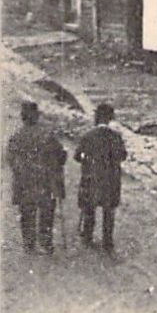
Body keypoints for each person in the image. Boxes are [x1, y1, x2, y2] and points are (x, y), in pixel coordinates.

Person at [7, 102, 66, 254]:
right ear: (37, 116)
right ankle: (46, 243)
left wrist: (22, 172)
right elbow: (61, 155)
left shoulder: (16, 137)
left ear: (22, 118)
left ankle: (29, 244)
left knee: (27, 212)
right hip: (45, 181)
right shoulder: (48, 135)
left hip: (25, 182)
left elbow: (11, 159)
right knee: (47, 212)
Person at [75, 104, 127, 251]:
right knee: (109, 210)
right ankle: (107, 241)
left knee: (90, 206)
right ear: (110, 118)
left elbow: (77, 156)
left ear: (97, 117)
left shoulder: (88, 135)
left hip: (92, 177)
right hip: (111, 179)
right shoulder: (116, 136)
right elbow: (123, 155)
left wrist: (87, 159)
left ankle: (87, 236)